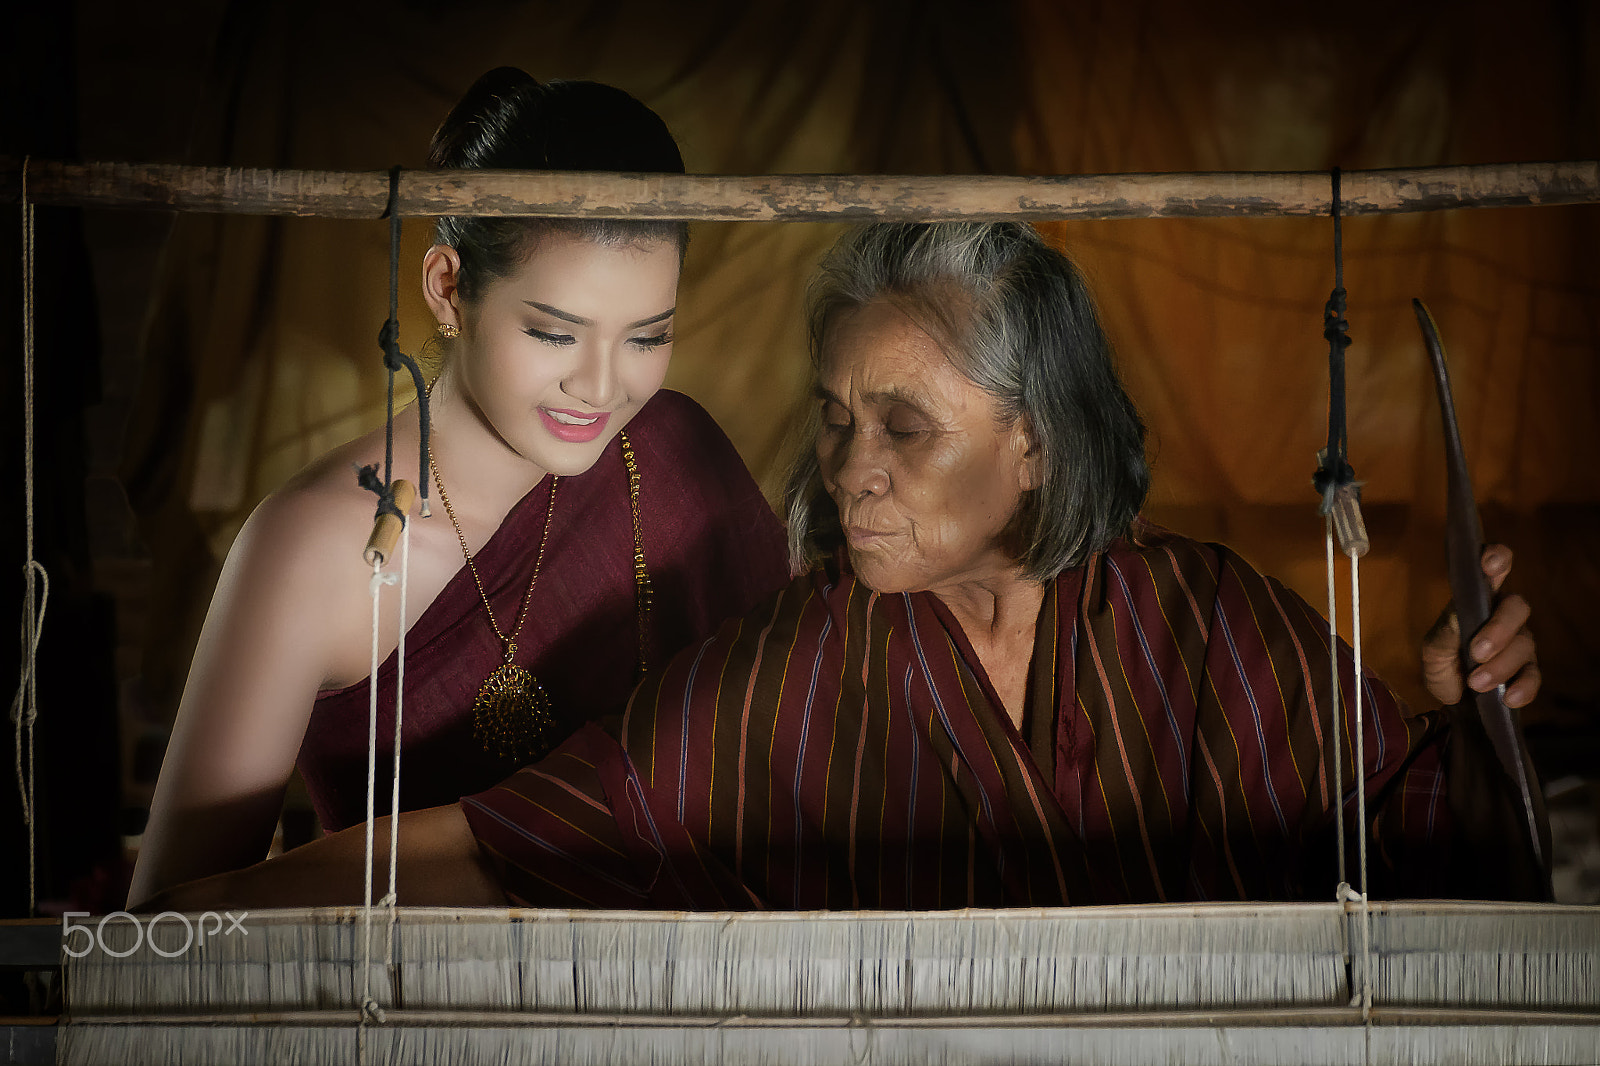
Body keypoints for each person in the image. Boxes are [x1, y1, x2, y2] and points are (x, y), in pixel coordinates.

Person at [141, 221, 1543, 914]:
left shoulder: (1207, 617)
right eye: (834, 420)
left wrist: (1464, 705)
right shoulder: (801, 665)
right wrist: (173, 929)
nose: (845, 467)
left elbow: (1413, 829)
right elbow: (508, 838)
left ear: (1036, 443)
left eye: (905, 429)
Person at [125, 69, 791, 908]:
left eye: (646, 337)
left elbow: (800, 757)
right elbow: (165, 932)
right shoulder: (314, 549)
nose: (600, 386)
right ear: (448, 288)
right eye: (554, 333)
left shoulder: (675, 457)